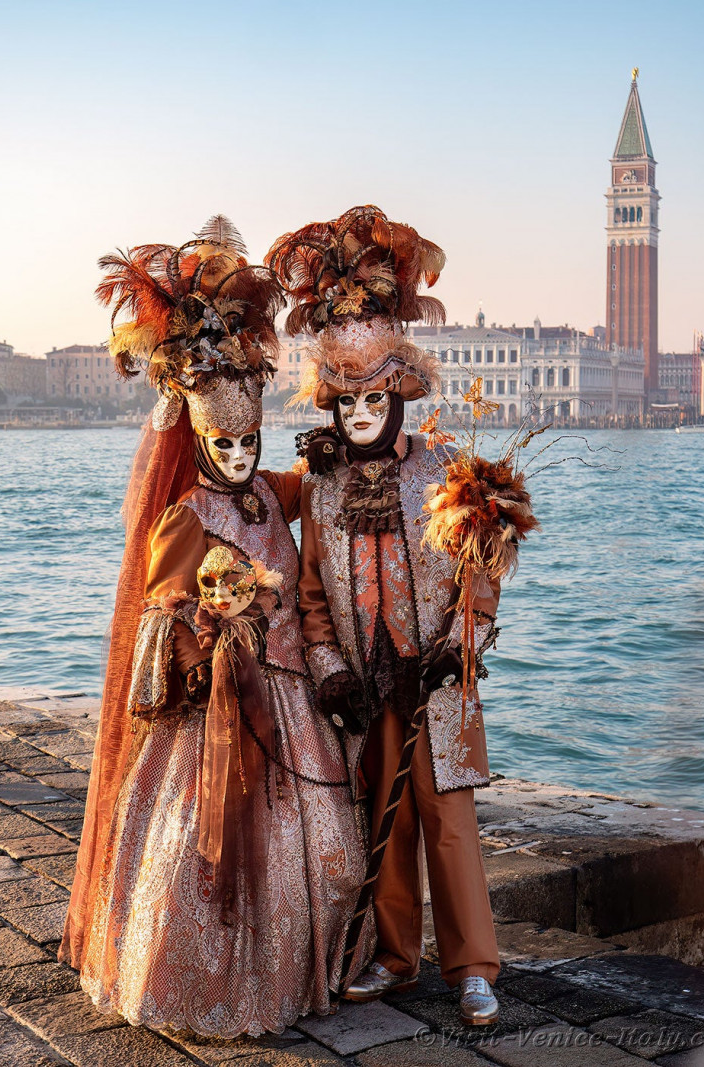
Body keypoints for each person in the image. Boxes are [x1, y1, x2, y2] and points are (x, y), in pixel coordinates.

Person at [60, 216, 372, 1038]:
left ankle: (311, 966)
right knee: (207, 860)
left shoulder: (268, 490)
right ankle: (210, 983)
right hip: (219, 711)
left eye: (248, 443)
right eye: (224, 444)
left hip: (292, 696)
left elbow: (317, 488)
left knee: (331, 852)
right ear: (199, 437)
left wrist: (337, 454)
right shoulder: (186, 517)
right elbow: (162, 617)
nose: (238, 458)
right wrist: (208, 639)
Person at [266, 205, 502, 1025]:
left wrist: (457, 645)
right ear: (331, 406)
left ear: (399, 394)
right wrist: (331, 670)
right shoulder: (322, 484)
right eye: (348, 405)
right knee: (385, 819)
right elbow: (312, 595)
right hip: (368, 682)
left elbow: (482, 568)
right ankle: (397, 956)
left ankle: (473, 965)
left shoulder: (445, 468)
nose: (361, 416)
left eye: (374, 401)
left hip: (436, 677)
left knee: (449, 818)